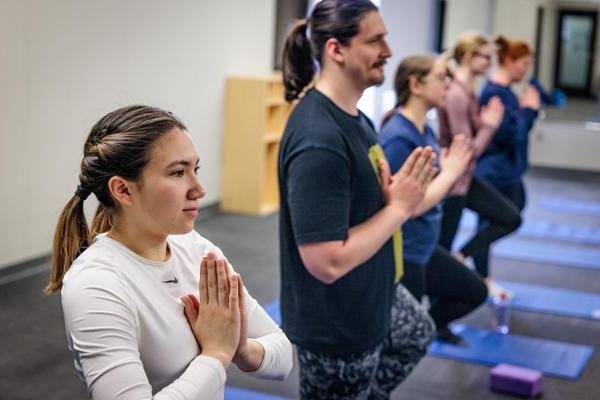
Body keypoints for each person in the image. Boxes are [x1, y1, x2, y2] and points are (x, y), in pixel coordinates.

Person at [46, 105, 293, 399]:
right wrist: (216, 354)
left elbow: (283, 355)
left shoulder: (196, 249)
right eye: (178, 172)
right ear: (123, 191)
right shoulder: (95, 285)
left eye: (195, 169)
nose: (199, 189)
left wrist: (241, 348)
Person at [279, 0, 436, 398]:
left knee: (416, 333)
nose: (388, 50)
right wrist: (399, 207)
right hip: (338, 323)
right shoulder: (319, 139)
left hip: (373, 293)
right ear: (336, 49)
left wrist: (392, 197)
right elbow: (326, 262)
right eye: (375, 40)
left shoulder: (356, 117)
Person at [380, 54, 488, 345]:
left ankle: (425, 329)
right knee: (399, 345)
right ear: (415, 84)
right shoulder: (398, 137)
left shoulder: (424, 129)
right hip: (407, 253)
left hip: (427, 247)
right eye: (442, 78)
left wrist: (447, 166)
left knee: (475, 291)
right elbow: (406, 207)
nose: (448, 85)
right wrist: (450, 173)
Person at [436, 32, 522, 297]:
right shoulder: (457, 95)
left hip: (465, 180)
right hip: (453, 185)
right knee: (440, 255)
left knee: (510, 218)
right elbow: (466, 151)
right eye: (486, 57)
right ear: (469, 57)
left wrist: (484, 125)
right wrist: (489, 127)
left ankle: (461, 255)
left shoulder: (467, 91)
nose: (490, 63)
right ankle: (438, 318)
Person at [475, 35, 540, 246]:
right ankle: (470, 261)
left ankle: (479, 271)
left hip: (505, 169)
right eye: (524, 64)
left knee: (500, 217)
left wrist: (528, 112)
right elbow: (511, 136)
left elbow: (518, 131)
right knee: (497, 219)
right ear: (510, 61)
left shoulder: (506, 94)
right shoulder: (495, 94)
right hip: (494, 170)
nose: (526, 70)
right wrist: (529, 111)